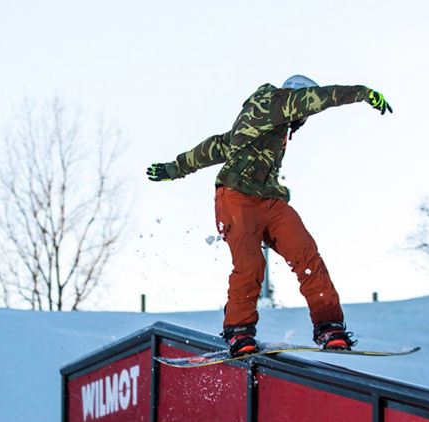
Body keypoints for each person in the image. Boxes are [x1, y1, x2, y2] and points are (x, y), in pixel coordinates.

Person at [147, 74, 392, 356]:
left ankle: (329, 327)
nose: (303, 120)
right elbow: (321, 98)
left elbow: (216, 146)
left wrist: (174, 168)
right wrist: (362, 93)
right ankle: (238, 331)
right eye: (303, 114)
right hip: (237, 198)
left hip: (270, 201)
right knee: (250, 266)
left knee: (307, 256)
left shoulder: (266, 126)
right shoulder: (275, 101)